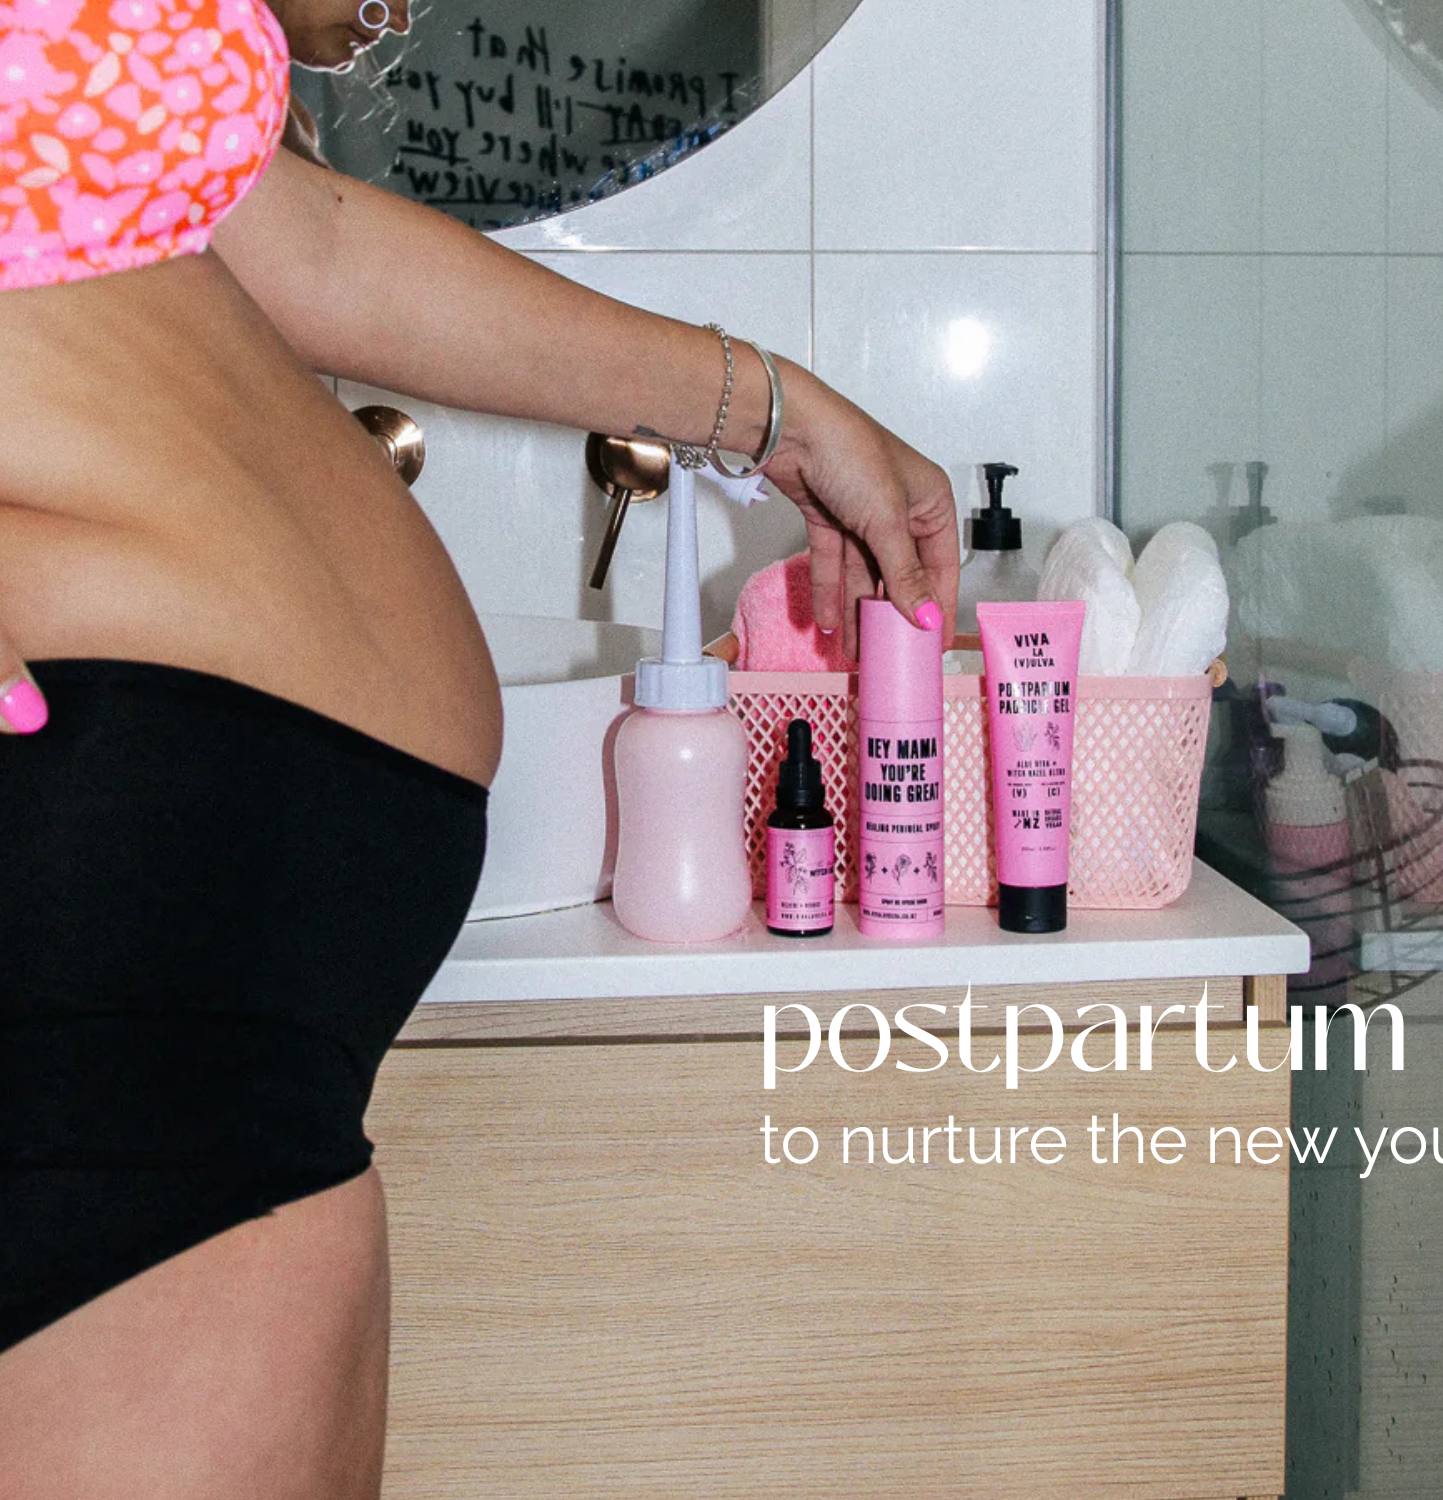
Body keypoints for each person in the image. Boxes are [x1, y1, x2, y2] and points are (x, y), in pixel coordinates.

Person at [0, 0, 959, 1494]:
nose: (392, 21)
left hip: (220, 991)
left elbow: (300, 247)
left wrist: (776, 412)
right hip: (100, 926)